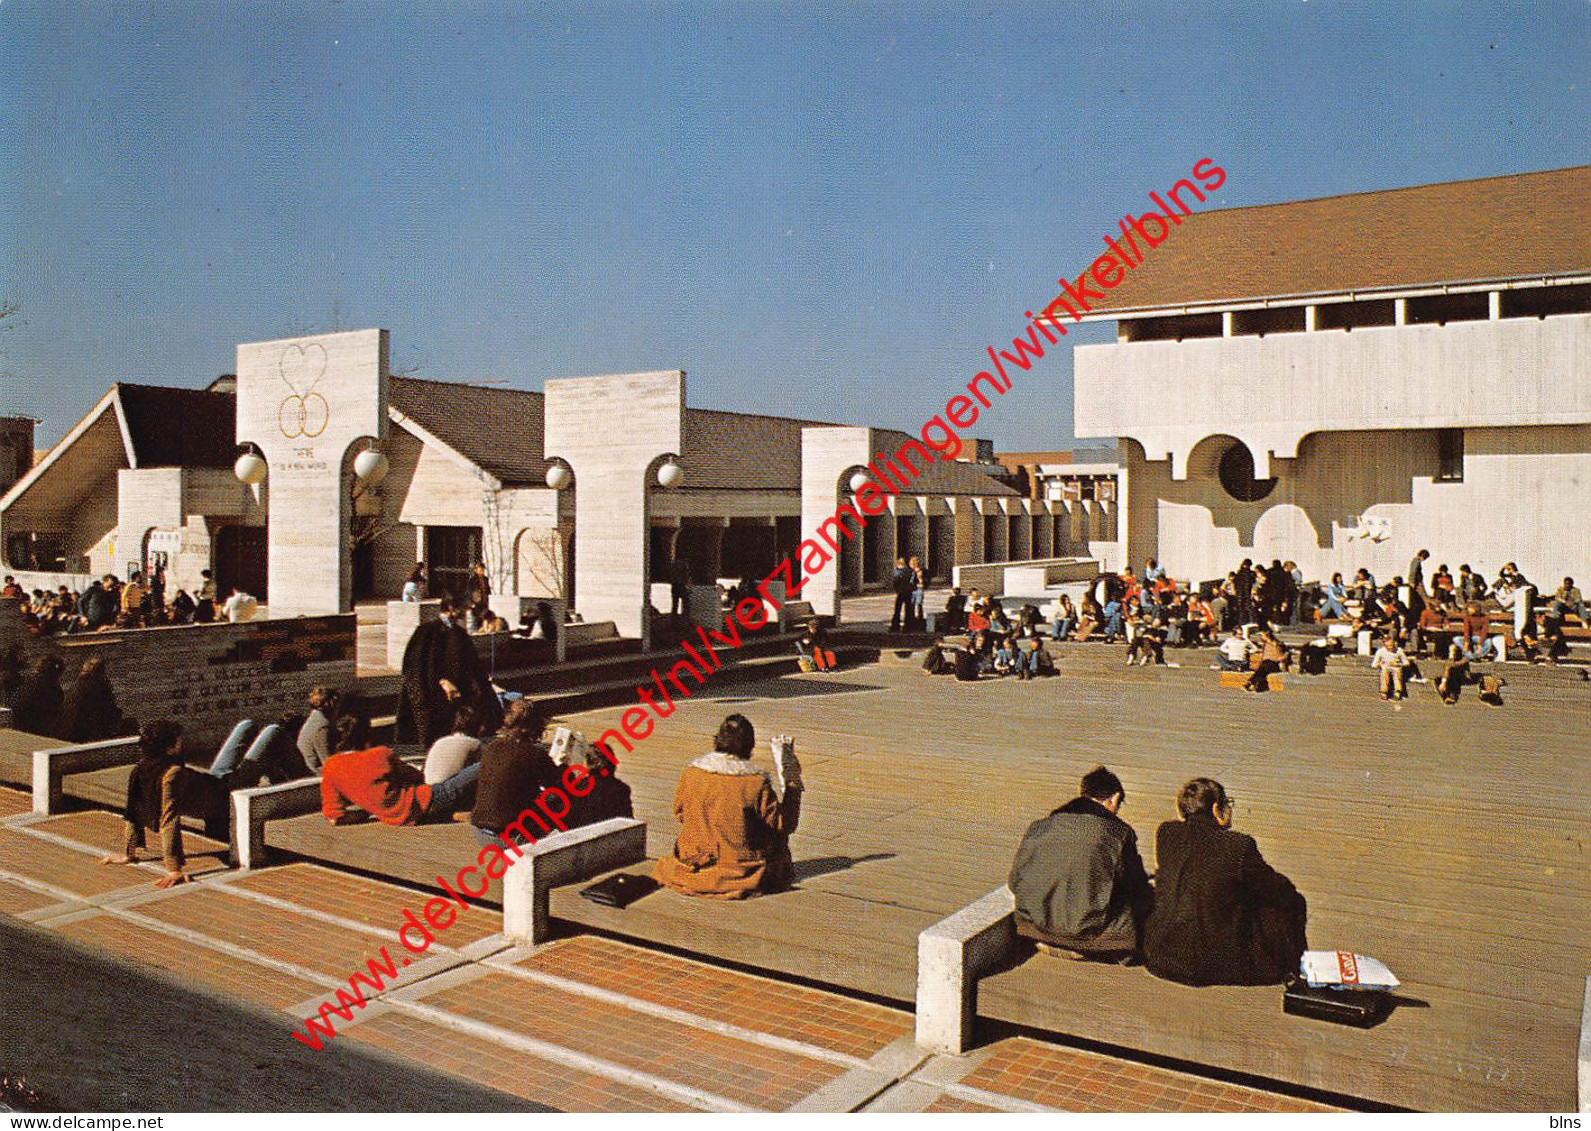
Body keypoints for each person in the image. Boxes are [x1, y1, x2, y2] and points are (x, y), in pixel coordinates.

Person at [1143, 778, 1307, 987]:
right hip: (1211, 964)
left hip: (1161, 956)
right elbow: (1281, 892)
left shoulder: (1167, 833)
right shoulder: (1238, 846)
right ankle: (1297, 970)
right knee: (1287, 903)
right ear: (1215, 809)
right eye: (1227, 804)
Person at [1008, 766, 1153, 961]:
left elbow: (1014, 881)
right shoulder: (1119, 833)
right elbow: (1135, 886)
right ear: (1114, 798)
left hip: (1033, 930)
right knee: (1146, 901)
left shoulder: (1039, 827)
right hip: (1087, 938)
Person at [655, 714, 802, 899]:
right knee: (776, 836)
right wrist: (792, 783)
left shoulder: (692, 773)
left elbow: (679, 813)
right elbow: (785, 824)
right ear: (750, 747)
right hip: (738, 869)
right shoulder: (754, 782)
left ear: (718, 740)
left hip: (692, 861)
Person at [320, 714, 480, 827]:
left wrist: (367, 811)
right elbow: (418, 777)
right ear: (366, 734)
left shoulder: (330, 766)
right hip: (424, 800)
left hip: (395, 818)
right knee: (480, 766)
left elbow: (335, 817)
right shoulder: (380, 755)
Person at [396, 596, 499, 748]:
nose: (465, 611)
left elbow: (471, 666)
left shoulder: (460, 633)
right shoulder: (426, 631)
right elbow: (415, 666)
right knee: (432, 743)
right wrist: (441, 683)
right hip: (433, 697)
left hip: (458, 699)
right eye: (462, 607)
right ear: (450, 607)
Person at [470, 699, 564, 847]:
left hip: (480, 832)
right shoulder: (534, 754)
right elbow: (560, 786)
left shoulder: (491, 747)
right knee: (560, 801)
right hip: (511, 836)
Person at [57, 657, 132, 743]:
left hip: (68, 733)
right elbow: (108, 713)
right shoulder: (99, 687)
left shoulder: (77, 686)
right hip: (86, 735)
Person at [423, 703, 486, 784]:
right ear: (480, 727)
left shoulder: (441, 741)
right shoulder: (474, 743)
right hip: (445, 789)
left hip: (428, 787)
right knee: (483, 765)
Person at [11, 654, 66, 736]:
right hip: (39, 732)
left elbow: (15, 703)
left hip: (22, 730)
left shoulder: (29, 683)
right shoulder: (57, 691)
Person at [296, 687, 339, 774]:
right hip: (316, 775)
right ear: (331, 704)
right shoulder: (322, 727)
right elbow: (328, 762)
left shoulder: (314, 720)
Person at [1371, 634, 1409, 700]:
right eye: (1388, 646)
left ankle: (1397, 692)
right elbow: (1374, 664)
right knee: (1384, 673)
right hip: (1385, 666)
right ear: (1385, 645)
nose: (1391, 647)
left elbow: (1406, 662)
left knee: (1397, 672)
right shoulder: (1380, 651)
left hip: (1396, 666)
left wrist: (1398, 664)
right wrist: (1379, 664)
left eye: (1392, 645)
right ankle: (1384, 692)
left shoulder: (1399, 650)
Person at [889, 557, 913, 633]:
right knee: (908, 609)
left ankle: (895, 626)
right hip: (908, 591)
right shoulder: (909, 571)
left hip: (900, 592)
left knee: (897, 609)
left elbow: (895, 581)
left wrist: (897, 589)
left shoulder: (897, 571)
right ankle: (908, 626)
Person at [908, 556, 928, 631]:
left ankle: (920, 619)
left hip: (919, 588)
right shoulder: (911, 571)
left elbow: (925, 581)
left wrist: (920, 579)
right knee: (912, 604)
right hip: (912, 589)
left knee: (919, 604)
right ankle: (912, 619)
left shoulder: (921, 571)